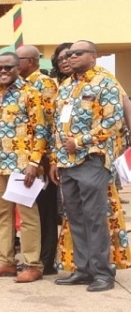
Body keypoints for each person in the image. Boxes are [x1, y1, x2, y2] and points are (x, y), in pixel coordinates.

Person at [50, 40, 125, 292]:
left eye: (77, 53)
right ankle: (83, 270)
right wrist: (55, 158)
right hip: (66, 163)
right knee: (75, 218)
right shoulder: (65, 87)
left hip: (92, 159)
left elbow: (113, 121)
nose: (69, 57)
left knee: (94, 218)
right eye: (68, 54)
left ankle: (103, 273)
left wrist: (80, 141)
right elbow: (56, 126)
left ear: (93, 56)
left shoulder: (106, 83)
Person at [0, 52, 47, 283]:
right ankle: (6, 262)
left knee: (28, 217)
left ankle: (32, 265)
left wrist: (33, 162)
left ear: (18, 68)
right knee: (1, 216)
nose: (3, 72)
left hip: (21, 167)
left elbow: (41, 130)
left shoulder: (30, 93)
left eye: (8, 67)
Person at [16, 45, 60, 275]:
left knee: (45, 210)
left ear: (31, 61)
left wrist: (48, 159)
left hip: (42, 159)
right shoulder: (19, 85)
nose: (14, 63)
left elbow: (50, 124)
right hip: (27, 156)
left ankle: (46, 260)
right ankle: (35, 257)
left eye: (18, 59)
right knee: (31, 208)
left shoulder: (44, 83)